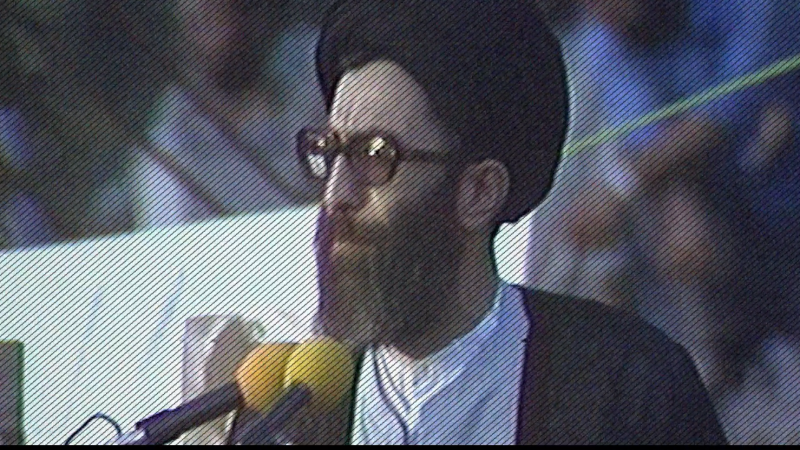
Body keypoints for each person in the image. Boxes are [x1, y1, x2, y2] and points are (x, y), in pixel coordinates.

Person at [282, 0, 728, 445]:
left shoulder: (626, 387)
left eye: (375, 156)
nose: (335, 195)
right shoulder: (299, 409)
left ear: (480, 192)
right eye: (328, 152)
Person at [129, 0, 326, 229]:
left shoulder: (311, 66)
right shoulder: (171, 139)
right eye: (198, 22)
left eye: (216, 15)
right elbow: (168, 238)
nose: (212, 33)